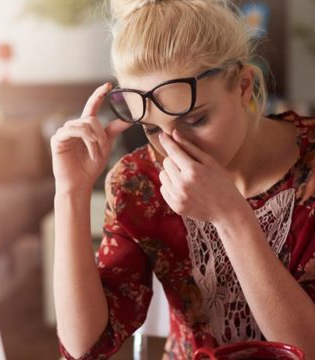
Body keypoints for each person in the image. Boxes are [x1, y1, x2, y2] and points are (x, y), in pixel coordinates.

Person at [50, 0, 315, 359]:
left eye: (195, 121)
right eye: (152, 129)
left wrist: (230, 216)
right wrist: (71, 192)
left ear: (243, 85)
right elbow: (86, 346)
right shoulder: (140, 183)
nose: (175, 148)